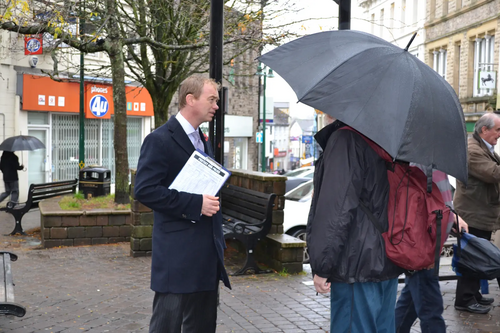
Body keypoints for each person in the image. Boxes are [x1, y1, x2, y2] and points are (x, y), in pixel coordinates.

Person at [134, 75, 231, 333]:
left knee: (202, 326)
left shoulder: (202, 139)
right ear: (191, 99)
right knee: (167, 326)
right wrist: (196, 204)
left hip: (206, 255)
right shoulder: (160, 139)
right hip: (177, 256)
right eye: (211, 99)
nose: (216, 106)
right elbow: (144, 190)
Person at [307, 120, 403, 332]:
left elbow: (337, 209)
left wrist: (323, 266)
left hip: (355, 263)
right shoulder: (386, 139)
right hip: (385, 257)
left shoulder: (346, 140)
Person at [395, 168, 469, 333]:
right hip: (424, 245)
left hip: (428, 242)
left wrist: (452, 217)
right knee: (431, 309)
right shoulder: (423, 158)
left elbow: (436, 198)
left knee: (413, 300)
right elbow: (421, 203)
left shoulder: (432, 157)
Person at [453, 112, 500, 314]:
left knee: (477, 257)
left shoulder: (484, 147)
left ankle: (474, 295)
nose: (499, 134)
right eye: (497, 130)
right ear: (484, 130)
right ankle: (464, 299)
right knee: (472, 258)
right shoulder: (473, 150)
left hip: (479, 212)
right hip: (472, 214)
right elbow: (492, 173)